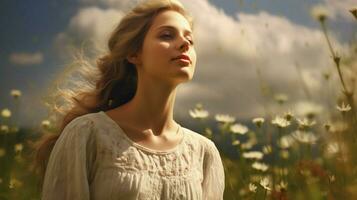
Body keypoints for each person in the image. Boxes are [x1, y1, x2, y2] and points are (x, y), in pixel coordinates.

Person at [35, 0, 225, 199]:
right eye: (167, 35)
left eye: (190, 40)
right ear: (134, 53)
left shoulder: (204, 153)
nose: (185, 43)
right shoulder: (86, 134)